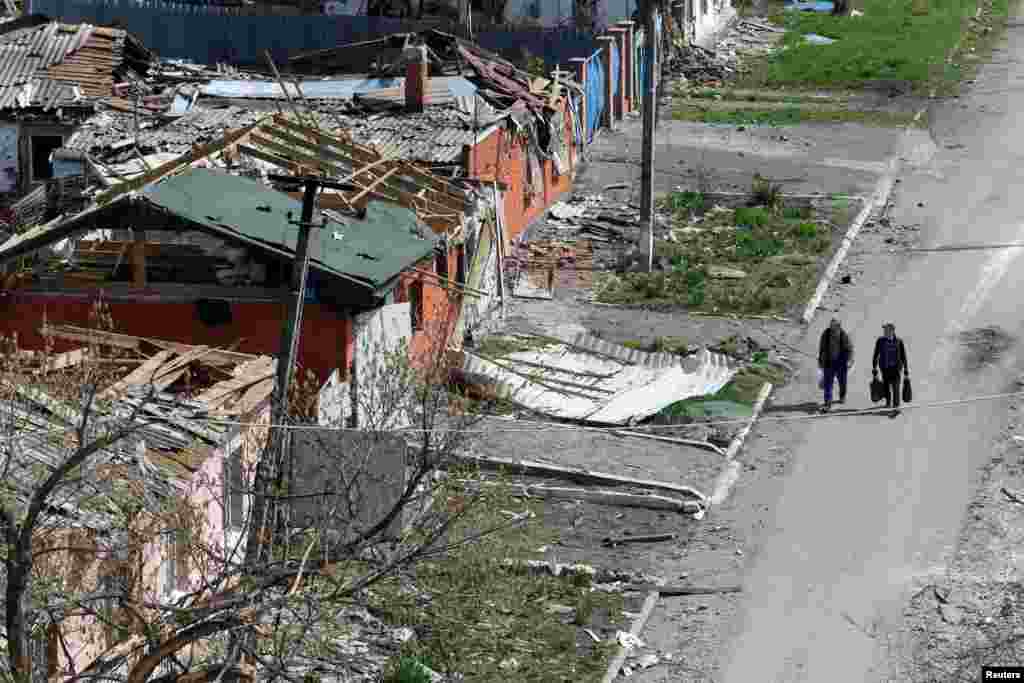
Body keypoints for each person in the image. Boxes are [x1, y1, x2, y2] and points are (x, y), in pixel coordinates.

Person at [872, 323, 909, 416]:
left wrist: (906, 369)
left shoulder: (899, 341)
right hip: (885, 369)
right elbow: (876, 354)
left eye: (887, 330)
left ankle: (896, 408)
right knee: (886, 387)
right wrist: (874, 367)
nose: (885, 332)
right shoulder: (880, 341)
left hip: (896, 369)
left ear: (892, 331)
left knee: (896, 388)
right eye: (884, 330)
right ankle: (888, 403)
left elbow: (903, 356)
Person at [818, 317, 854, 412]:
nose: (831, 328)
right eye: (831, 325)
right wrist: (821, 360)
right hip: (828, 363)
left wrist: (849, 360)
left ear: (838, 327)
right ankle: (827, 403)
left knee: (842, 382)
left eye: (833, 326)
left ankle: (842, 396)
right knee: (828, 384)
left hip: (841, 364)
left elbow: (850, 349)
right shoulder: (826, 334)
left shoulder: (844, 336)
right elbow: (821, 348)